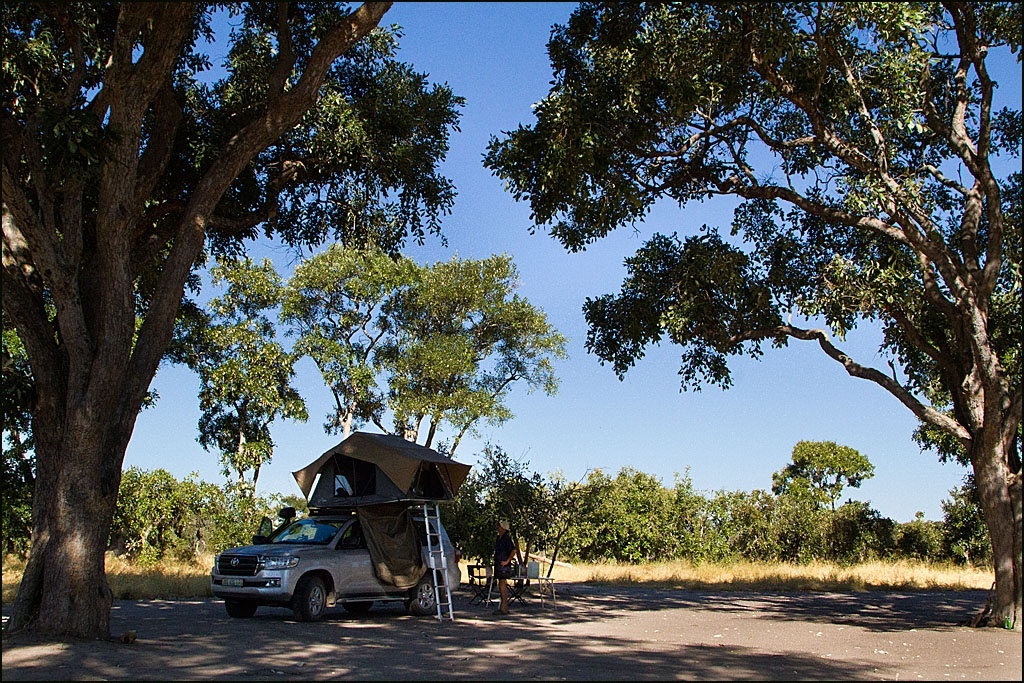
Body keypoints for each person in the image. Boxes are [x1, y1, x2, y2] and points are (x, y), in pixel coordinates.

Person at [493, 519, 516, 615]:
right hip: (498, 564)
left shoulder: (507, 538)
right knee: (501, 584)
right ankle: (503, 607)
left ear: (504, 528)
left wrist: (507, 561)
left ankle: (504, 607)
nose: (498, 528)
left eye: (500, 526)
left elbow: (513, 550)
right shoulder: (499, 538)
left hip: (503, 565)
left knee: (503, 584)